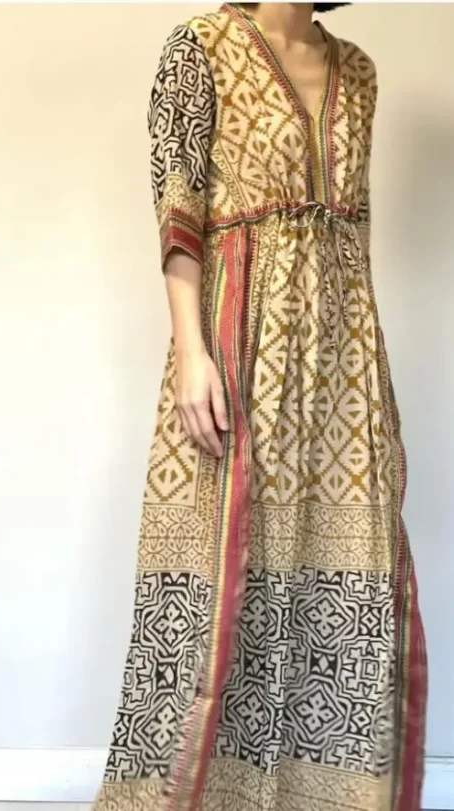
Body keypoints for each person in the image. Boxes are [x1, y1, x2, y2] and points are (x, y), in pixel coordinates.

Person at [95, 3, 427, 810]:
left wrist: (371, 379)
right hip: (239, 339)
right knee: (219, 571)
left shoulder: (359, 71)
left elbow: (355, 233)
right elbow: (179, 206)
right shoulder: (200, 46)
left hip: (341, 359)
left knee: (337, 570)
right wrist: (191, 352)